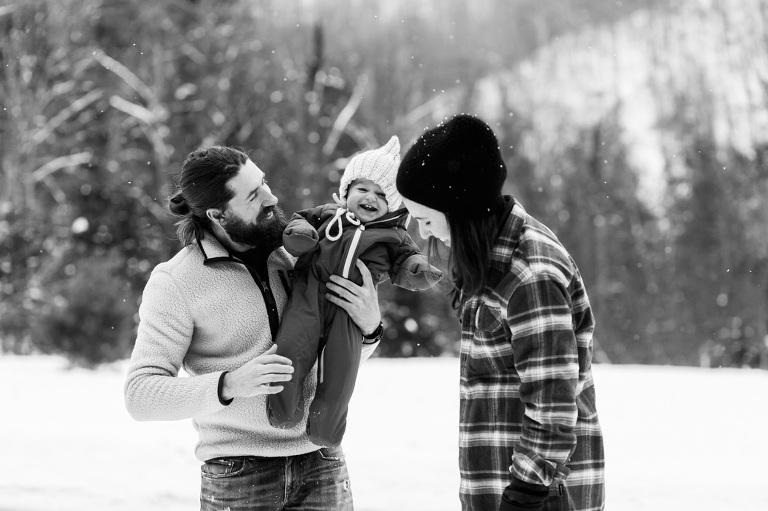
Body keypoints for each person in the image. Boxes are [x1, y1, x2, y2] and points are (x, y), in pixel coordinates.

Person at [124, 145, 383, 511]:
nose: (271, 196)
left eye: (263, 182)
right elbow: (140, 396)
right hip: (239, 474)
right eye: (253, 194)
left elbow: (336, 350)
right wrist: (228, 384)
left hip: (321, 461)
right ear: (217, 214)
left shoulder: (300, 253)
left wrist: (369, 328)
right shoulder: (176, 281)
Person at [396, 114, 605, 511]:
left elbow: (552, 406)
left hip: (540, 497)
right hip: (501, 489)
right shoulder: (492, 259)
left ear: (457, 207)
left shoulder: (531, 275)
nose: (422, 233)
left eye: (425, 219)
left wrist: (524, 495)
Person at [267, 136, 442, 447]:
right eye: (362, 189)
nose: (370, 198)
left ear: (394, 203)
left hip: (350, 316)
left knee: (342, 370)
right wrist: (301, 235)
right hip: (308, 297)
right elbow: (297, 225)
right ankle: (283, 410)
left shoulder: (394, 236)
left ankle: (326, 428)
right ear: (346, 190)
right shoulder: (326, 215)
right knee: (291, 349)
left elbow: (407, 263)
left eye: (381, 194)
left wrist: (419, 269)